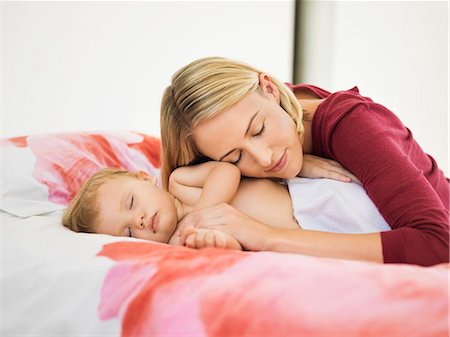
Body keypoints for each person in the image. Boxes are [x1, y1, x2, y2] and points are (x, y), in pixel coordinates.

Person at [159, 56, 449, 266]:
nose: (264, 158)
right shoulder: (267, 110)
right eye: (235, 157)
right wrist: (296, 168)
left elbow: (438, 244)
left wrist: (266, 236)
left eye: (258, 130)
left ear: (270, 89)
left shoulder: (352, 124)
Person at [61, 161, 391, 251]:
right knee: (381, 249)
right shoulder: (181, 244)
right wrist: (216, 241)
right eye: (129, 231)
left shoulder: (180, 183)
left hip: (314, 200)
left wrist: (204, 210)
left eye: (132, 202)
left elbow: (227, 170)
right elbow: (236, 244)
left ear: (144, 178)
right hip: (311, 237)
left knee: (404, 225)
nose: (141, 218)